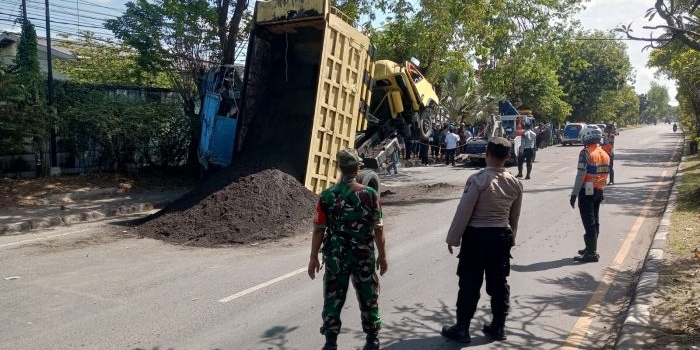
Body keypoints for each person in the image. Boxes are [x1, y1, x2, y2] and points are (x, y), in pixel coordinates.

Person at [441, 137, 523, 344]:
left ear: (487, 153)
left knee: (469, 283)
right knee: (499, 283)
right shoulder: (515, 183)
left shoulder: (478, 180)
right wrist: (511, 239)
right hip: (501, 237)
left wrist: (453, 238)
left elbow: (464, 212)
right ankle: (498, 326)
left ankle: (462, 328)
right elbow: (514, 217)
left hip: (476, 238)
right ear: (509, 157)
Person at [308, 148, 388, 350]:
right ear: (358, 167)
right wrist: (383, 257)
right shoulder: (370, 194)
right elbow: (378, 229)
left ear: (339, 168)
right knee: (368, 296)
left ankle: (330, 341)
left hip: (336, 257)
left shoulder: (327, 195)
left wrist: (313, 259)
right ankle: (372, 339)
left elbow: (319, 230)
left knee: (333, 298)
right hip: (363, 256)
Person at [570, 130, 610, 263]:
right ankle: (590, 248)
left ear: (588, 137)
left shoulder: (586, 153)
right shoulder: (605, 154)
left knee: (589, 222)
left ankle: (591, 253)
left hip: (586, 192)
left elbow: (580, 175)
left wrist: (574, 194)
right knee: (595, 220)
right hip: (599, 191)